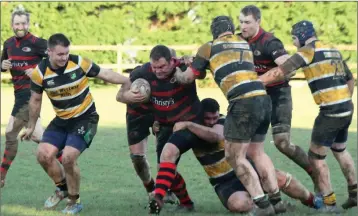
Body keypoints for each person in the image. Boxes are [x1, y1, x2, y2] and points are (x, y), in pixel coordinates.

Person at [173, 15, 287, 216]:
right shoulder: (243, 43)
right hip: (263, 98)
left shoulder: (209, 47)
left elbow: (189, 77)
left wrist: (178, 70)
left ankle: (262, 206)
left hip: (242, 102)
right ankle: (276, 201)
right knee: (258, 153)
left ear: (214, 32)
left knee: (234, 156)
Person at [20, 33, 132, 214]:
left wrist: (127, 80)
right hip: (62, 120)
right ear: (49, 52)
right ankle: (62, 188)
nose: (64, 57)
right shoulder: (39, 73)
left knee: (68, 157)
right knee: (43, 154)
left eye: (66, 53)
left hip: (85, 118)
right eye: (60, 54)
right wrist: (32, 126)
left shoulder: (79, 62)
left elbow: (104, 73)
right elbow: (35, 101)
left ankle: (74, 200)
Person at [259, 20, 357, 212]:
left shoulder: (307, 52)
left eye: (295, 39)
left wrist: (255, 82)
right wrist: (345, 100)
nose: (294, 43)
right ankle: (354, 195)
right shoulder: (331, 49)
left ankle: (330, 204)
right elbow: (350, 78)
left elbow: (281, 71)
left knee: (316, 159)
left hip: (330, 112)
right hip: (346, 107)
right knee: (340, 151)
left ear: (302, 37)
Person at [169, 98, 322, 213]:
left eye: (214, 117)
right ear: (200, 116)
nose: (211, 121)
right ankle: (271, 206)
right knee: (239, 204)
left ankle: (313, 200)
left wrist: (188, 124)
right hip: (223, 183)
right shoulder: (193, 131)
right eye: (207, 119)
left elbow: (215, 136)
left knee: (279, 178)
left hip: (245, 169)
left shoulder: (222, 121)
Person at [117, 45, 207, 214]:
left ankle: (157, 198)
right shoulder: (143, 72)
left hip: (188, 123)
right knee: (164, 169)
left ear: (172, 61)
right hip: (166, 125)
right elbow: (119, 95)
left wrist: (191, 61)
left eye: (162, 67)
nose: (157, 71)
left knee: (168, 156)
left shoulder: (182, 66)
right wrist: (129, 96)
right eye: (154, 67)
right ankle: (187, 204)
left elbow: (201, 73)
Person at [238, 5, 314, 182]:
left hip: (278, 95)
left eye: (247, 22)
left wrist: (268, 76)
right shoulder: (238, 40)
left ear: (258, 21)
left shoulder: (269, 42)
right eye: (241, 22)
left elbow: (289, 68)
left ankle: (313, 170)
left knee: (282, 142)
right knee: (244, 146)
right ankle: (264, 187)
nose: (243, 26)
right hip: (255, 98)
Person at [0, 8, 62, 188]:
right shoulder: (8, 44)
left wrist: (37, 70)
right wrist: (2, 66)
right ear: (12, 25)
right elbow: (3, 65)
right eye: (17, 23)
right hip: (17, 93)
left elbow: (56, 62)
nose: (20, 26)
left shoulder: (38, 43)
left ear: (28, 24)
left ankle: (1, 175)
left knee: (10, 132)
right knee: (36, 135)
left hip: (30, 95)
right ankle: (65, 155)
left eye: (23, 23)